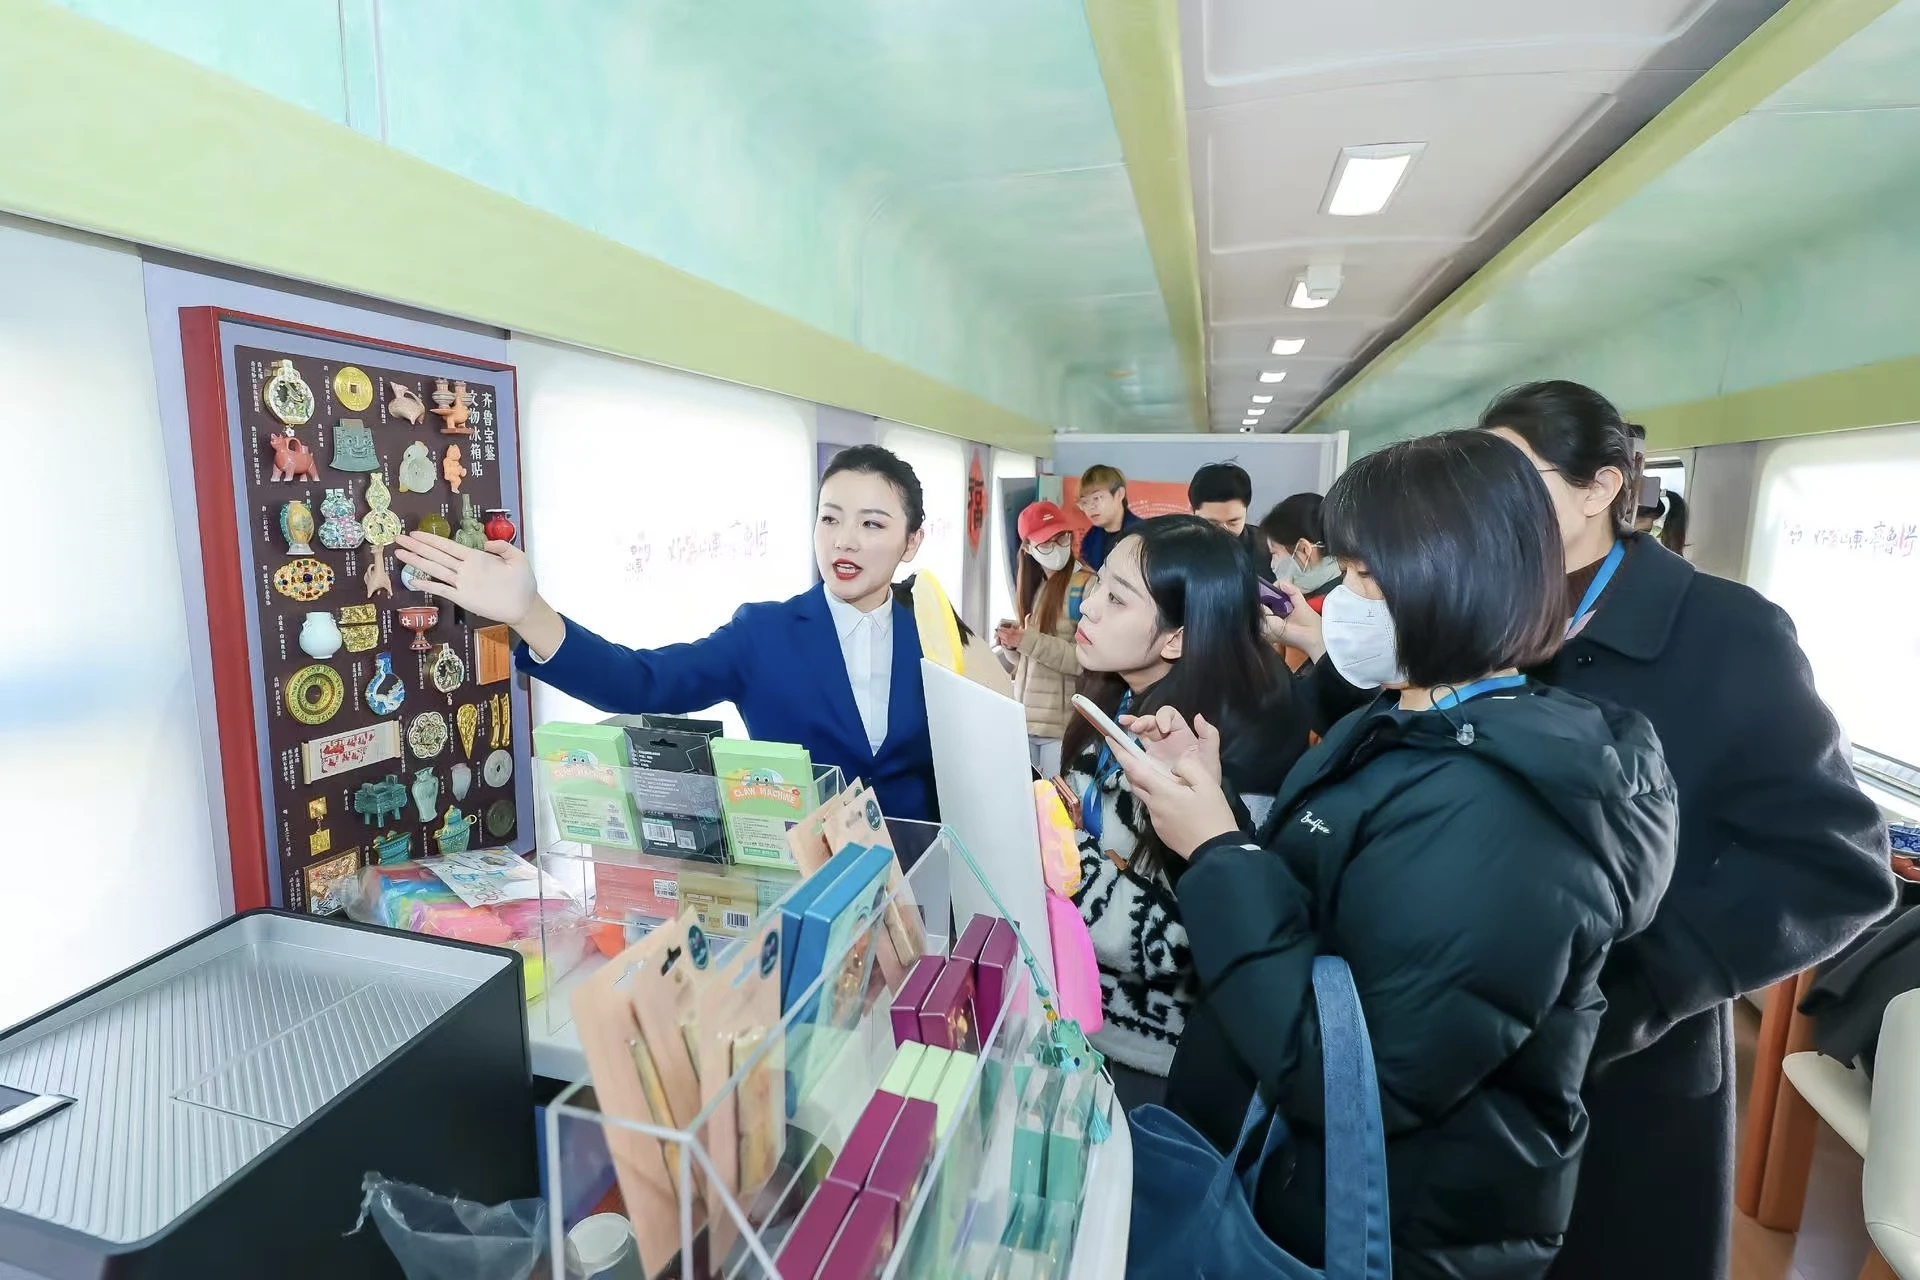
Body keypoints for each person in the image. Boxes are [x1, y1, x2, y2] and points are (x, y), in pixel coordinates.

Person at [1108, 430, 1679, 1279]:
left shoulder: (1503, 813)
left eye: (1364, 576)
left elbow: (1350, 1074)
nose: (1340, 600)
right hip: (1292, 1182)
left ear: (1449, 582)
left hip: (1386, 1227)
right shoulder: (1401, 720)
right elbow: (1322, 910)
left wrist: (1219, 850)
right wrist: (1213, 800)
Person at [1477, 380, 1895, 1280]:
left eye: (1516, 479)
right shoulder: (1487, 613)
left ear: (1600, 487)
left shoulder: (1727, 632)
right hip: (1476, 1032)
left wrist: (1648, 983)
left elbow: (1838, 863)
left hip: (1632, 1055)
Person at [393, 444, 942, 822]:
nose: (845, 540)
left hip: (925, 894)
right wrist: (528, 612)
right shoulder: (765, 634)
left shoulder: (940, 638)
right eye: (830, 518)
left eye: (872, 523)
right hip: (802, 888)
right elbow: (642, 682)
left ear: (912, 541)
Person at [1060, 515, 1310, 1109]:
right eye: (1098, 582)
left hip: (1151, 1062)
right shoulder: (1115, 694)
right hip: (1084, 1020)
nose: (1087, 606)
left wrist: (1062, 859)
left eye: (1117, 598)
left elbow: (1191, 940)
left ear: (1175, 639)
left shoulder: (1211, 748)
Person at [995, 501, 1093, 777]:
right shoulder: (1037, 586)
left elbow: (1083, 660)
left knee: (1055, 801)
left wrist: (1027, 640)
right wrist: (1013, 644)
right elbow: (1030, 661)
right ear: (1027, 548)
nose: (1057, 547)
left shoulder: (1087, 586)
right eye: (1046, 542)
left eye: (1061, 538)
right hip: (1026, 722)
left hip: (1060, 727)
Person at [1188, 461, 1276, 582]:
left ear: (1246, 510)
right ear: (1192, 512)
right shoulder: (1173, 549)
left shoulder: (1269, 548)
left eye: (1233, 522)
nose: (1224, 532)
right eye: (1212, 523)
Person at [1259, 492, 1342, 608]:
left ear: (1304, 549)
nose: (1272, 565)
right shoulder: (1345, 587)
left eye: (1274, 553)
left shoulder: (1321, 607)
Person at [1074, 463, 1143, 572]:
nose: (1091, 507)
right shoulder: (1090, 538)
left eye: (1097, 498)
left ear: (1119, 494)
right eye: (1084, 502)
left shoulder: (1143, 535)